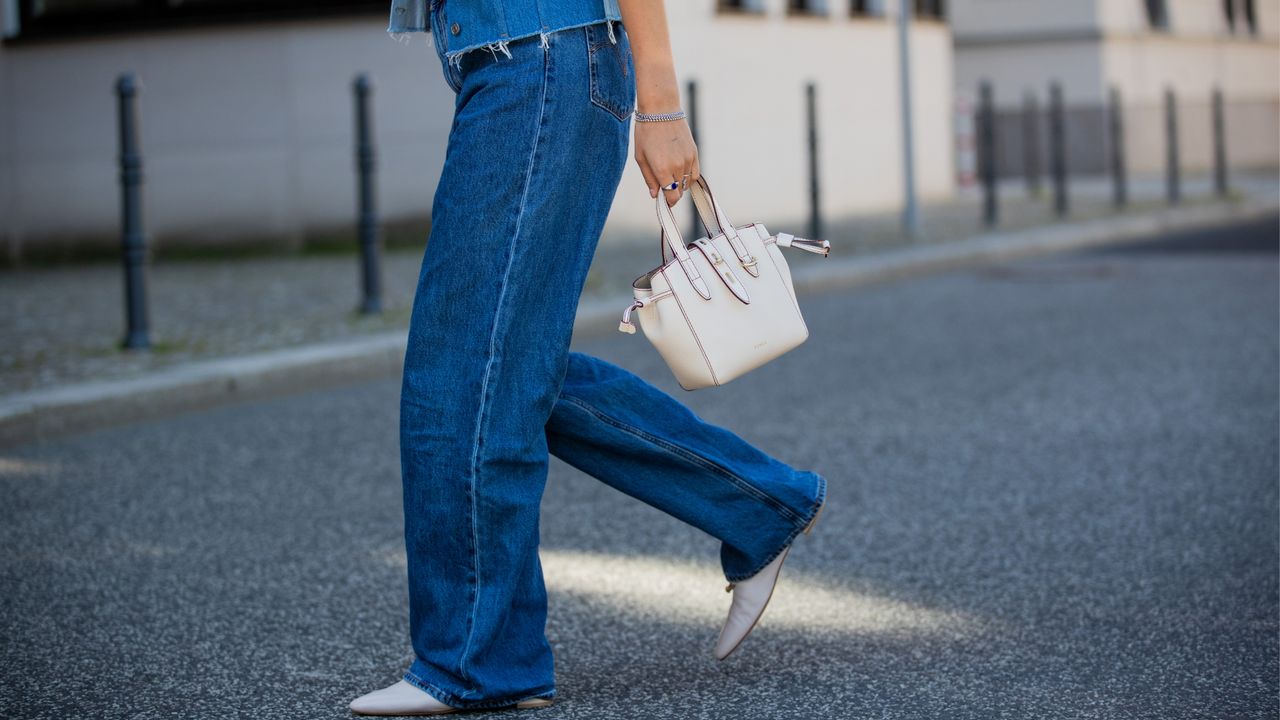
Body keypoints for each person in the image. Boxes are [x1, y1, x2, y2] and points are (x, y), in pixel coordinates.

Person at [350, 0, 827, 715]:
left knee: (467, 367)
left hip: (539, 61)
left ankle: (476, 661)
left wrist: (661, 108)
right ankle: (762, 504)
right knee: (498, 364)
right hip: (513, 65)